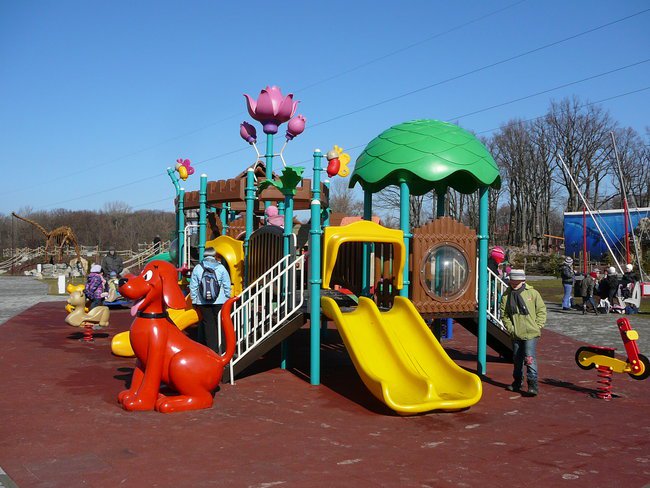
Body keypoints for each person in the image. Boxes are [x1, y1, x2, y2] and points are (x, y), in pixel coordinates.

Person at [499, 269, 546, 396]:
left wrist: (538, 325)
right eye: (512, 282)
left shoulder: (533, 293)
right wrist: (511, 329)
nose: (514, 285)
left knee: (529, 358)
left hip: (531, 332)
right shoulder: (506, 296)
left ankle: (532, 384)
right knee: (517, 358)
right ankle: (517, 381)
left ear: (523, 281)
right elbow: (504, 315)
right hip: (516, 333)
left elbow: (541, 309)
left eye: (517, 282)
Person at [189, 247, 232, 354]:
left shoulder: (198, 268)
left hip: (203, 301)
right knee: (220, 324)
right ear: (214, 255)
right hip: (219, 301)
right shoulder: (221, 267)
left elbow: (193, 286)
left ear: (204, 255)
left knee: (208, 325)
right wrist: (227, 297)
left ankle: (212, 351)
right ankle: (223, 349)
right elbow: (227, 284)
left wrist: (194, 300)